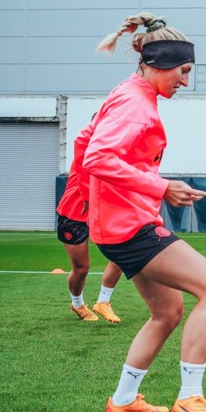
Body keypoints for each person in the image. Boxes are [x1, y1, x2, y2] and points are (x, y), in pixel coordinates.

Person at [86, 13, 206, 412]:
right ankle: (189, 399)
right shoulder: (134, 102)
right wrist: (159, 185)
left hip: (119, 225)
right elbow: (97, 157)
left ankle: (123, 402)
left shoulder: (132, 93)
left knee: (167, 312)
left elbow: (91, 148)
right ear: (160, 63)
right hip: (129, 227)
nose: (185, 81)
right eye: (184, 71)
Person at [57, 116, 123, 323]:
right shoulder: (86, 146)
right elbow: (88, 175)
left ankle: (103, 301)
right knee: (81, 268)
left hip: (102, 213)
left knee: (122, 254)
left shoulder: (115, 150)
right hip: (74, 214)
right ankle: (77, 304)